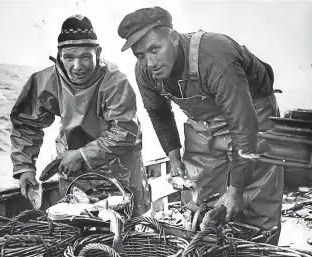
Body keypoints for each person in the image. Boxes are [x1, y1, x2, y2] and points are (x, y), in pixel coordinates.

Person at [117, 6, 283, 244]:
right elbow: (159, 113)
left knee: (254, 198)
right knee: (198, 195)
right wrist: (173, 157)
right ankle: (205, 246)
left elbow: (243, 125)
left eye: (155, 49)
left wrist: (236, 189)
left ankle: (258, 247)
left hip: (252, 115)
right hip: (202, 123)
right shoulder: (145, 71)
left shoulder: (215, 55)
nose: (150, 62)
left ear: (173, 38)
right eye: (140, 55)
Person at [10, 14, 150, 216]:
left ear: (98, 53)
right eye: (69, 57)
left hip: (120, 173)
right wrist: (25, 168)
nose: (77, 66)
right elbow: (26, 124)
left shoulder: (116, 82)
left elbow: (126, 131)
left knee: (123, 228)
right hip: (73, 173)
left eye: (85, 57)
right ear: (59, 55)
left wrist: (83, 155)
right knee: (77, 227)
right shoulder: (46, 81)